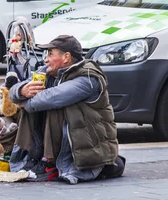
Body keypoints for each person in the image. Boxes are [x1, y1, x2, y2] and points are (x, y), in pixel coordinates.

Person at [9, 35, 123, 184]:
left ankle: (49, 159)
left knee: (51, 106)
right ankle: (39, 157)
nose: (46, 59)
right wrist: (22, 91)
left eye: (50, 54)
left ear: (66, 58)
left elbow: (52, 97)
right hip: (71, 143)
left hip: (88, 147)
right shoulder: (48, 72)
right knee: (34, 105)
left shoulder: (87, 78)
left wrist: (24, 103)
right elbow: (13, 91)